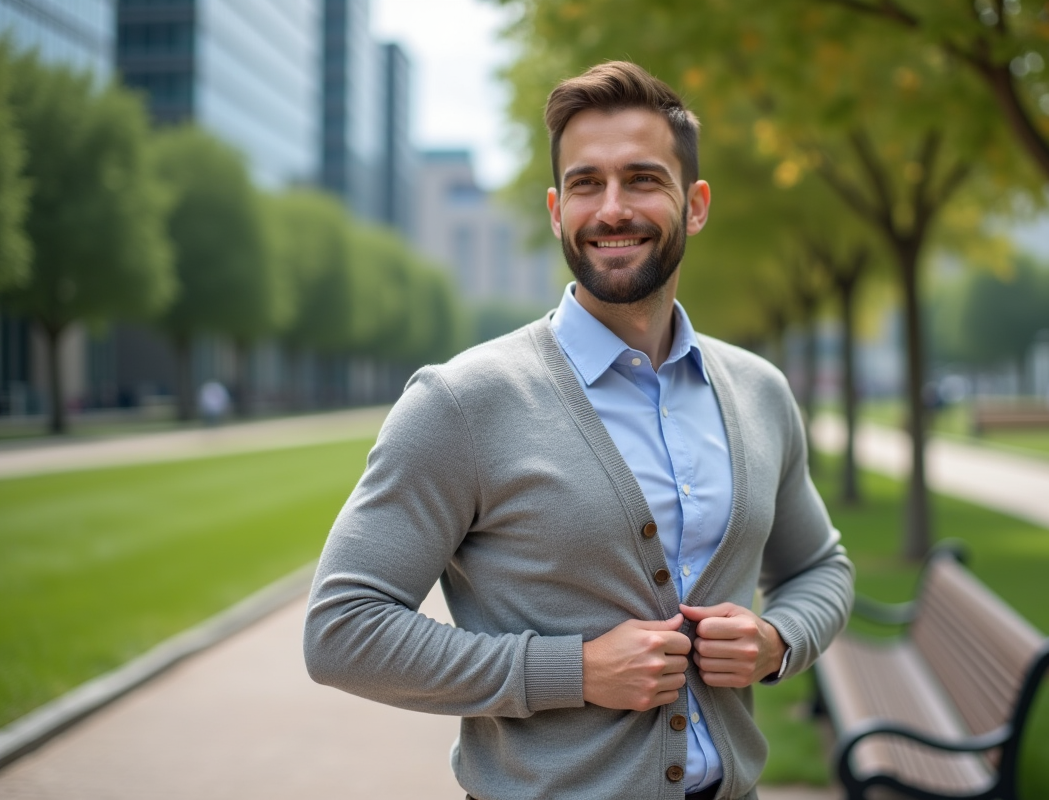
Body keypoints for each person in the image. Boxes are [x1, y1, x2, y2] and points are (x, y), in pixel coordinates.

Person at [304, 61, 854, 800]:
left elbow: (821, 567)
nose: (613, 209)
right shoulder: (463, 402)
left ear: (695, 205)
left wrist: (778, 641)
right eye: (588, 184)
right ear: (557, 210)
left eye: (643, 179)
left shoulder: (759, 392)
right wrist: (573, 671)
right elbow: (342, 629)